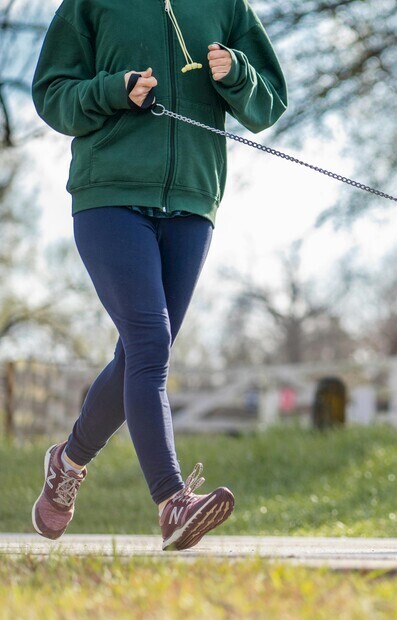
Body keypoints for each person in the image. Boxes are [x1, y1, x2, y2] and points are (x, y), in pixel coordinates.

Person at [31, 0, 287, 550]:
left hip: (193, 203)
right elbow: (52, 95)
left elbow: (268, 104)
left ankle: (68, 463)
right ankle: (173, 502)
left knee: (138, 354)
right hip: (110, 199)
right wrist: (111, 91)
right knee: (150, 344)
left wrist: (238, 73)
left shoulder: (225, 6)